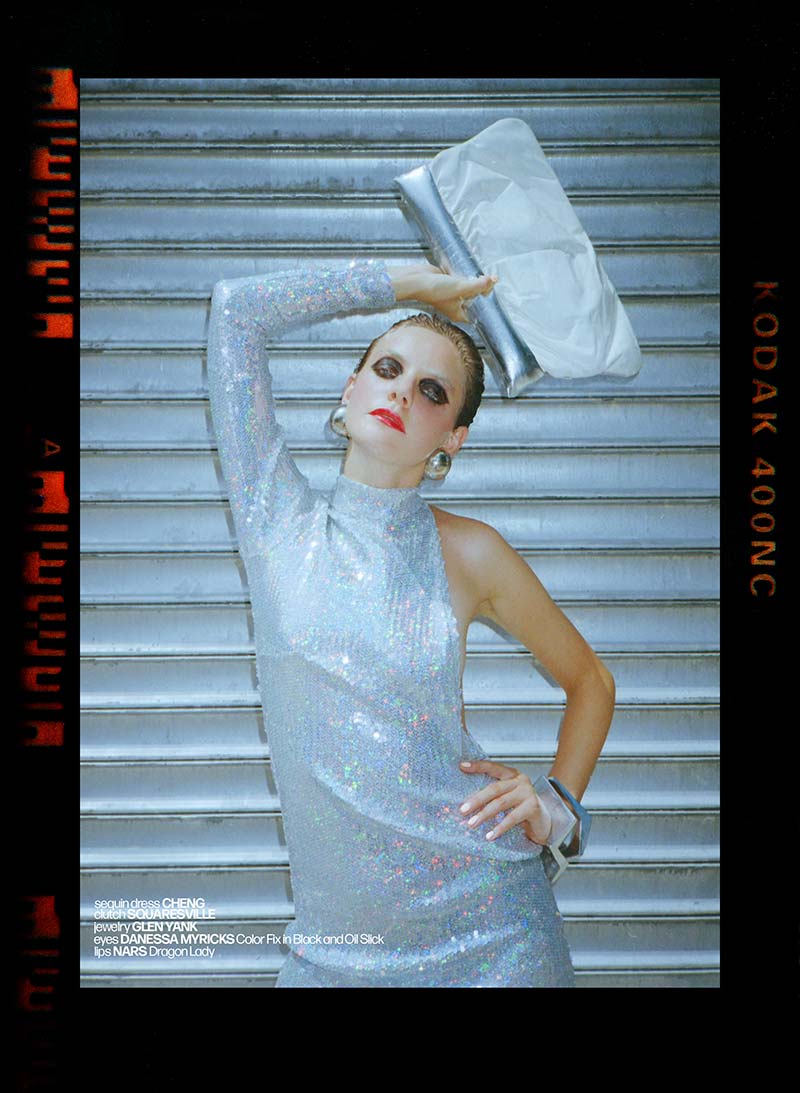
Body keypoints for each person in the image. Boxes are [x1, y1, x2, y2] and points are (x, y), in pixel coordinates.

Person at [206, 258, 615, 987]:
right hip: (332, 953)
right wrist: (410, 284)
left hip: (495, 939)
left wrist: (558, 809)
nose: (400, 391)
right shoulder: (277, 522)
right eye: (388, 368)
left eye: (432, 390)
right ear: (351, 389)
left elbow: (592, 682)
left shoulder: (473, 553)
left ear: (452, 438)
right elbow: (237, 310)